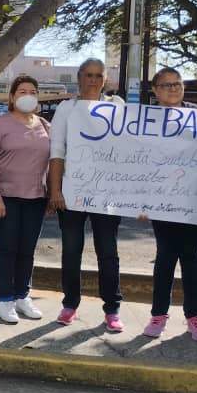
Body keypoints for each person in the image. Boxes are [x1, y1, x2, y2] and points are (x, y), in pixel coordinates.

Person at [47, 58, 126, 332]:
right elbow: (57, 151)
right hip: (72, 193)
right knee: (71, 251)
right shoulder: (66, 109)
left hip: (107, 195)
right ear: (79, 77)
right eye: (88, 75)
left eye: (98, 76)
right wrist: (55, 190)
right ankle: (70, 304)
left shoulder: (117, 106)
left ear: (105, 80)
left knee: (108, 252)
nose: (93, 80)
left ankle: (112, 309)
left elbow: (129, 151)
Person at [141, 67, 197, 343]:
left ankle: (195, 318)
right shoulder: (144, 119)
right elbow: (135, 160)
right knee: (165, 256)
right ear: (155, 90)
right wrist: (140, 199)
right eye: (167, 85)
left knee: (191, 258)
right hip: (161, 200)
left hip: (192, 198)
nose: (173, 88)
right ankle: (158, 315)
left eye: (178, 84)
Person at [0, 75, 51, 324]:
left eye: (32, 91)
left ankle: (23, 295)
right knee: (8, 250)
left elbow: (54, 162)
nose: (27, 95)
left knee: (27, 251)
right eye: (22, 91)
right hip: (7, 199)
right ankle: (5, 299)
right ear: (12, 97)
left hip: (36, 198)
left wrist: (53, 194)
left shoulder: (44, 125)